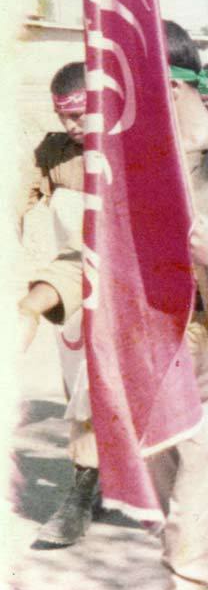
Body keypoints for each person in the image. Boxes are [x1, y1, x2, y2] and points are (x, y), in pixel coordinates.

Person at [19, 21, 208, 590]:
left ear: (171, 86)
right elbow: (95, 251)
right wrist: (34, 301)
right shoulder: (129, 159)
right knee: (175, 522)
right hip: (150, 356)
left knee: (198, 536)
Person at [21, 62, 99, 548]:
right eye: (64, 116)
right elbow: (18, 199)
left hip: (138, 284)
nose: (73, 124)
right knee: (82, 385)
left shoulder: (133, 146)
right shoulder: (53, 152)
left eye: (81, 113)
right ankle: (86, 485)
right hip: (74, 283)